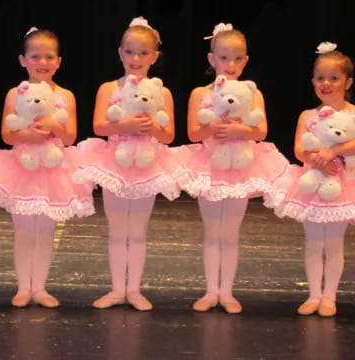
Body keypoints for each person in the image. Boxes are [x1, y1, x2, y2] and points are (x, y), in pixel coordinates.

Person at [0, 27, 94, 308]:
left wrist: (53, 127)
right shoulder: (16, 93)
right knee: (24, 231)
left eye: (49, 56)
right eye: (35, 56)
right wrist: (28, 135)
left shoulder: (66, 96)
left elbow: (70, 137)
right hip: (22, 168)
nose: (42, 62)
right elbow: (7, 134)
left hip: (55, 169)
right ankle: (23, 286)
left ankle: (39, 287)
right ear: (22, 60)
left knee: (45, 231)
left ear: (59, 62)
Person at [74, 17, 179, 311]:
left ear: (155, 57)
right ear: (120, 53)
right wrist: (125, 124)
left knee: (138, 230)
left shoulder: (162, 92)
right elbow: (98, 126)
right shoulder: (109, 88)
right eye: (130, 52)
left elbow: (168, 134)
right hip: (115, 162)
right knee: (118, 229)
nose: (136, 59)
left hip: (147, 162)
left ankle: (134, 289)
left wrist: (151, 129)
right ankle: (117, 288)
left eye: (144, 53)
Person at [182, 23, 288, 314]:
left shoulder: (253, 94)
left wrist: (240, 130)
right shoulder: (200, 94)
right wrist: (213, 127)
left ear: (246, 60)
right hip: (210, 166)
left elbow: (261, 130)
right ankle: (210, 291)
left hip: (242, 166)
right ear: (211, 59)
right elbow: (193, 132)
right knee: (212, 231)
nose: (231, 64)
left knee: (230, 233)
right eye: (224, 57)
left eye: (237, 58)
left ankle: (226, 292)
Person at [265, 42, 355, 317]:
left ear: (348, 82)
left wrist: (333, 152)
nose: (325, 83)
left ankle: (330, 297)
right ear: (312, 81)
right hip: (313, 182)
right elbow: (299, 149)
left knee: (334, 242)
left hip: (343, 184)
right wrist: (317, 158)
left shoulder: (353, 113)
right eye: (320, 78)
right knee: (314, 241)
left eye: (334, 78)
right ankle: (314, 294)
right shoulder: (308, 115)